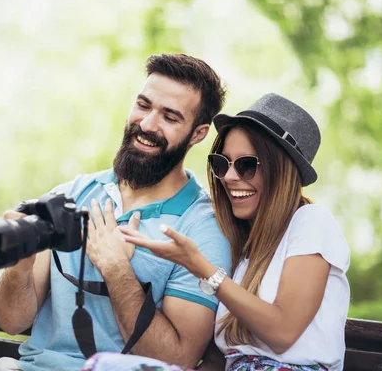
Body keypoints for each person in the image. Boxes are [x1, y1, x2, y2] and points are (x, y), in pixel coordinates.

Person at [0, 53, 232, 371]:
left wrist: (117, 270)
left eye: (169, 117)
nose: (147, 124)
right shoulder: (75, 193)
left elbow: (177, 359)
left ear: (198, 134)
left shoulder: (201, 229)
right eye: (143, 105)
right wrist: (18, 266)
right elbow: (13, 320)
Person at [94, 93, 350, 371]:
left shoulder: (311, 221)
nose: (228, 176)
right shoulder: (244, 246)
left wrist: (199, 267)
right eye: (222, 163)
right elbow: (220, 359)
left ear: (281, 170)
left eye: (246, 165)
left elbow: (282, 333)